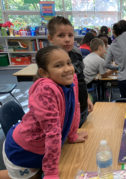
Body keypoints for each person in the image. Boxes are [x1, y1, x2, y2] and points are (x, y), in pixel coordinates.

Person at [1, 46, 88, 179]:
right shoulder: (46, 90)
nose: (67, 69)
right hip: (24, 150)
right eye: (58, 65)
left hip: (43, 148)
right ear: (44, 72)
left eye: (68, 63)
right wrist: (51, 172)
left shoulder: (71, 80)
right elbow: (52, 131)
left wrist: (72, 135)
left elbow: (74, 108)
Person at [47, 16, 93, 127]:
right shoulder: (48, 59)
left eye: (70, 35)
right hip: (64, 112)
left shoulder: (77, 54)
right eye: (61, 35)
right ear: (51, 38)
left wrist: (86, 97)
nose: (67, 39)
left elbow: (81, 79)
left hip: (81, 106)